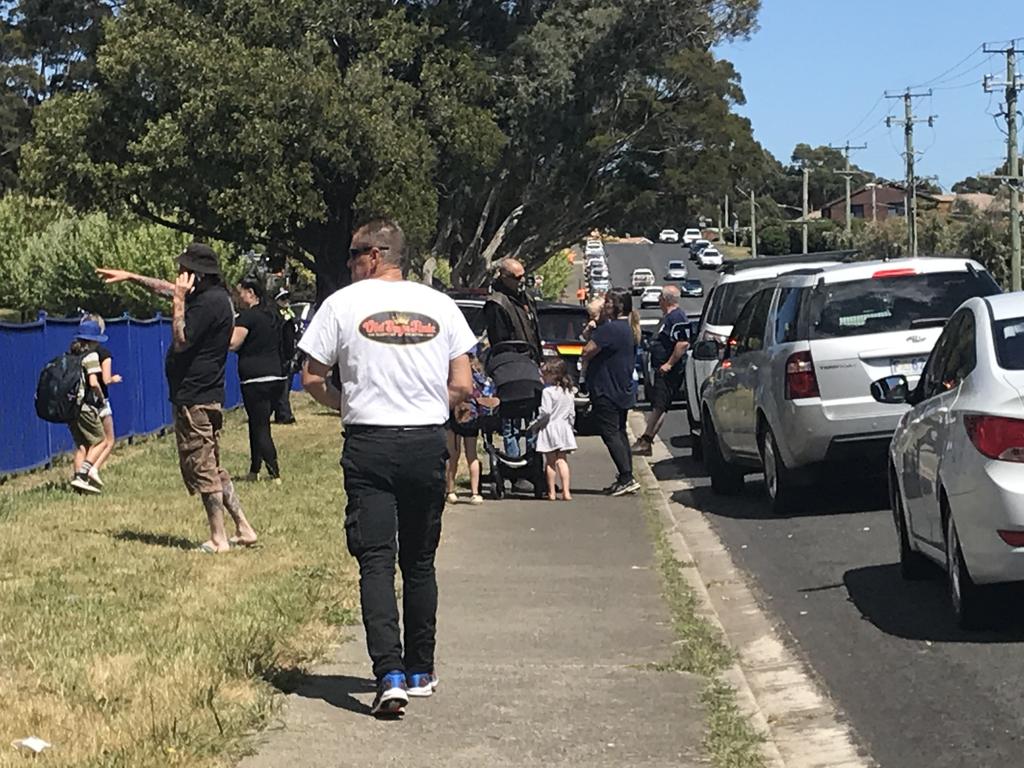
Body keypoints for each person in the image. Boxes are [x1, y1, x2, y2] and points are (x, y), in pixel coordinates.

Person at [299, 219, 475, 718]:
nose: (349, 264)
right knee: (420, 560)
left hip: (369, 441)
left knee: (376, 560)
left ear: (374, 255)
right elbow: (461, 383)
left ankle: (389, 674)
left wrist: (347, 403)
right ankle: (422, 668)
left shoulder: (340, 305)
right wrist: (422, 401)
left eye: (353, 255)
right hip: (424, 440)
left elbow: (311, 375)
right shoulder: (441, 306)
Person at [96, 243, 259, 554]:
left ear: (198, 273)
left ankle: (218, 538)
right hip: (205, 394)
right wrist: (131, 277)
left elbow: (181, 340)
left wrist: (180, 300)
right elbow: (166, 289)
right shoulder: (214, 298)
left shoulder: (206, 304)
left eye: (184, 270)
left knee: (202, 467)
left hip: (195, 397)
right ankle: (244, 527)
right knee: (212, 465)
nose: (179, 276)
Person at [581, 288, 640, 496]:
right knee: (620, 431)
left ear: (616, 306)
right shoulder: (627, 328)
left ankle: (626, 476)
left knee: (610, 433)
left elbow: (587, 351)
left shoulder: (610, 329)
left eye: (607, 302)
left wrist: (591, 337)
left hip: (606, 388)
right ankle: (627, 475)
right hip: (622, 387)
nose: (605, 306)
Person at [484, 257, 542, 458]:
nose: (521, 281)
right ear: (504, 276)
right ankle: (514, 462)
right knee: (511, 422)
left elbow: (534, 330)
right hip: (509, 367)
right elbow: (499, 340)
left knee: (533, 420)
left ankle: (534, 463)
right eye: (517, 278)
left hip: (530, 363)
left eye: (523, 276)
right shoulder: (497, 303)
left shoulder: (525, 298)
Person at [230, 277, 286, 483]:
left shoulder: (248, 317)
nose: (238, 297)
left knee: (261, 426)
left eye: (240, 293)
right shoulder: (273, 315)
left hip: (255, 378)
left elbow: (233, 343)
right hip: (277, 375)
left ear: (251, 293)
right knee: (257, 423)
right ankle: (254, 469)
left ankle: (275, 473)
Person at [632, 285, 689, 456]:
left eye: (659, 298)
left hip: (668, 370)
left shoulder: (677, 317)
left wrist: (669, 364)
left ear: (665, 300)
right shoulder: (668, 317)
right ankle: (646, 440)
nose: (658, 301)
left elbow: (683, 343)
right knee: (659, 405)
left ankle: (646, 440)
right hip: (659, 367)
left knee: (659, 406)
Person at [445, 351, 497, 506]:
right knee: (472, 455)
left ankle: (451, 491)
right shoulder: (479, 378)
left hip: (454, 415)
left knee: (453, 455)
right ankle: (475, 493)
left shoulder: (453, 377)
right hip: (473, 418)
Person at [67, 320, 110, 494]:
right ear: (92, 341)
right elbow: (94, 382)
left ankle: (79, 485)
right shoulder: (91, 356)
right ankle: (83, 475)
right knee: (101, 440)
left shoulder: (72, 355)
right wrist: (101, 398)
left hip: (71, 408)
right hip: (85, 406)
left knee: (82, 445)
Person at [81, 314, 122, 488]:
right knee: (109, 440)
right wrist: (114, 378)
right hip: (99, 400)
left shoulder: (79, 352)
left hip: (82, 402)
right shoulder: (103, 353)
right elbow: (104, 380)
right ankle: (94, 469)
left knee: (85, 444)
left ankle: (79, 477)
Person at [536, 358, 577, 501]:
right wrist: (571, 427)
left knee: (550, 462)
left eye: (544, 375)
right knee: (562, 460)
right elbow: (572, 413)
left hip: (550, 427)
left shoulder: (547, 392)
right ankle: (566, 491)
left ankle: (552, 492)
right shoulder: (569, 391)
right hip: (564, 427)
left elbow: (545, 412)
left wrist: (537, 423)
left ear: (553, 375)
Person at [272, 288, 299, 424]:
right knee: (282, 385)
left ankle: (282, 412)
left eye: (288, 298)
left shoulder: (289, 313)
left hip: (290, 353)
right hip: (281, 355)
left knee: (286, 385)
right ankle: (283, 414)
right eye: (283, 299)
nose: (286, 301)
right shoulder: (276, 315)